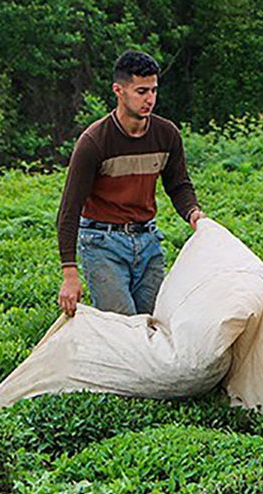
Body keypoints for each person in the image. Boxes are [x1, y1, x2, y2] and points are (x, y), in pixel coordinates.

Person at [55, 50, 206, 317]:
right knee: (123, 328)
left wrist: (193, 213)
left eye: (154, 90)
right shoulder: (94, 142)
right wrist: (70, 272)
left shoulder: (166, 134)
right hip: (103, 244)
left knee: (154, 323)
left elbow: (178, 185)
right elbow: (69, 209)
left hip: (148, 241)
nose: (150, 99)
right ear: (119, 91)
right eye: (141, 91)